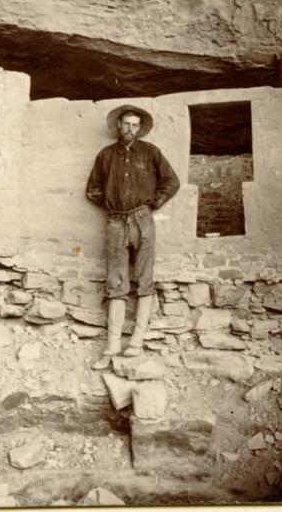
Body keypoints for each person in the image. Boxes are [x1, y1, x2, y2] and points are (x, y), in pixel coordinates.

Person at [86, 105, 180, 370]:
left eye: (135, 125)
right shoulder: (105, 155)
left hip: (142, 220)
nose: (130, 129)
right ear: (118, 126)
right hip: (116, 221)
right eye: (126, 124)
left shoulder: (150, 153)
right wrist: (111, 204)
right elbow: (91, 189)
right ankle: (112, 346)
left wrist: (153, 204)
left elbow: (171, 182)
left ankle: (137, 341)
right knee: (116, 281)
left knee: (144, 278)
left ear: (140, 129)